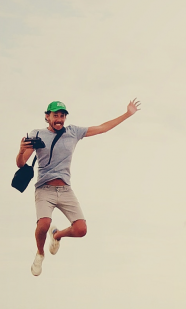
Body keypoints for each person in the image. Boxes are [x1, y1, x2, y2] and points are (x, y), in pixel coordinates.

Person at [15, 99, 141, 276]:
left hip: (65, 189)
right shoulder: (37, 135)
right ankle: (40, 253)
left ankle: (57, 236)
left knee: (81, 230)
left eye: (62, 115)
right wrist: (21, 151)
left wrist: (128, 114)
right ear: (47, 116)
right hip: (44, 188)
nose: (59, 119)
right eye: (55, 115)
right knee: (44, 224)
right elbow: (21, 164)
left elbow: (102, 128)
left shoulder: (73, 132)